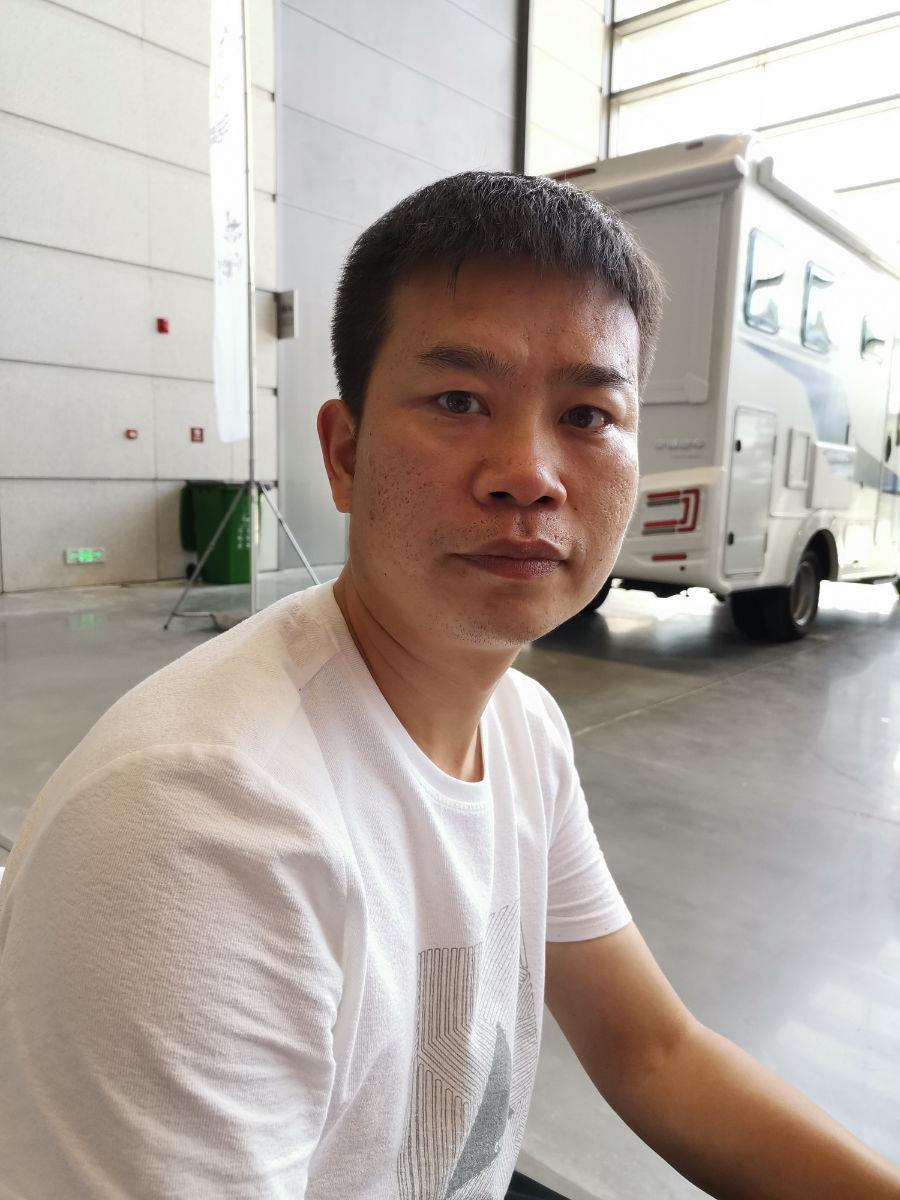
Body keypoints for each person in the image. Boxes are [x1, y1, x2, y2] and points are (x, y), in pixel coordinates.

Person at [0, 172, 897, 1200]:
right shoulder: (201, 824)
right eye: (459, 400)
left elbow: (655, 1054)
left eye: (588, 413)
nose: (529, 472)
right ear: (344, 454)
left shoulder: (523, 728)